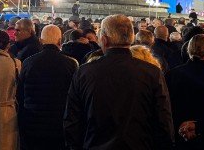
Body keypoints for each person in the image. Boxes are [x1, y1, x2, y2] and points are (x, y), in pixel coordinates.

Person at [64, 14, 175, 149]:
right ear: (131, 38)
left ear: (104, 40)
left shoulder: (85, 73)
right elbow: (163, 122)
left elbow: (72, 121)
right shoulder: (151, 73)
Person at [17, 25, 77, 150]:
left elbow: (21, 94)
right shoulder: (70, 64)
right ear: (60, 42)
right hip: (59, 123)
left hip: (33, 122)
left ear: (41, 41)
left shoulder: (28, 63)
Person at [165, 34, 204, 150]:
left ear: (189, 51)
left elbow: (165, 108)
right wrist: (199, 127)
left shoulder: (172, 75)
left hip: (178, 137)